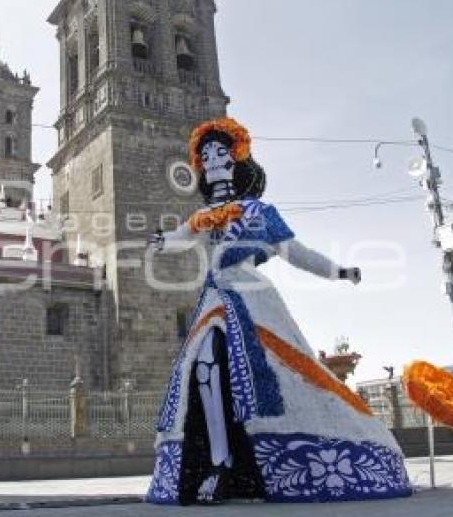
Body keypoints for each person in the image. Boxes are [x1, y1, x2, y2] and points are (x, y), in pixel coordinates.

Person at [146, 117, 412, 505]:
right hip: (214, 296)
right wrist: (158, 241)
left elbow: (296, 253)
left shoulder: (259, 212)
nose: (213, 160)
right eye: (206, 155)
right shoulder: (203, 218)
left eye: (220, 152)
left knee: (263, 370)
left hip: (253, 299)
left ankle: (264, 460)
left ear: (237, 160)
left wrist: (338, 271)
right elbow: (178, 238)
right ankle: (219, 462)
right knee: (203, 367)